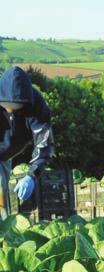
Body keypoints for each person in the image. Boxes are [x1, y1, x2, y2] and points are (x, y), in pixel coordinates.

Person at [0, 66, 54, 218]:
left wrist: (32, 175)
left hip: (6, 156)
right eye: (6, 105)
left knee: (2, 205)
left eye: (17, 106)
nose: (11, 109)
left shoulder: (37, 105)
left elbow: (44, 144)